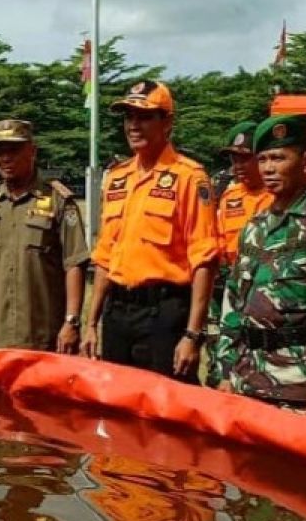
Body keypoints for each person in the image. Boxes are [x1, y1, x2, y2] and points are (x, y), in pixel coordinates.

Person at [210, 114, 306, 413]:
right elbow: (233, 305)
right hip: (247, 382)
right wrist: (226, 370)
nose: (267, 168)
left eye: (278, 158)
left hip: (298, 386)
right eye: (263, 159)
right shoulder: (255, 228)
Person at [81, 81, 219, 383]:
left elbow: (204, 260)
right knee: (118, 404)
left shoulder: (190, 178)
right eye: (128, 117)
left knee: (166, 408)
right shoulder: (117, 178)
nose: (133, 125)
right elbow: (106, 255)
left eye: (144, 117)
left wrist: (193, 335)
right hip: (118, 313)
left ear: (167, 122)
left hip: (164, 313)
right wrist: (91, 323)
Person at [0, 119, 88, 352]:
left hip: (45, 336)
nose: (6, 158)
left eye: (14, 149)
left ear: (32, 151)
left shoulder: (58, 199)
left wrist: (71, 321)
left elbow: (74, 264)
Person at [207, 120, 273, 377]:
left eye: (245, 158)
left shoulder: (277, 197)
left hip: (263, 293)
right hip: (229, 291)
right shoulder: (228, 196)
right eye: (234, 159)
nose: (238, 166)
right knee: (220, 364)